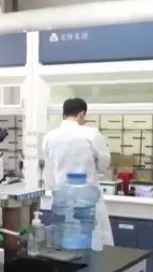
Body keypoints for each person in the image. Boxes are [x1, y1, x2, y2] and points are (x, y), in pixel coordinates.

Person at [42, 97, 114, 248]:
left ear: (63, 114)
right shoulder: (91, 134)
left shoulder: (49, 137)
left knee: (63, 244)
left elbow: (49, 175)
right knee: (92, 244)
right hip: (88, 201)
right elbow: (103, 164)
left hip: (61, 200)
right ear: (82, 114)